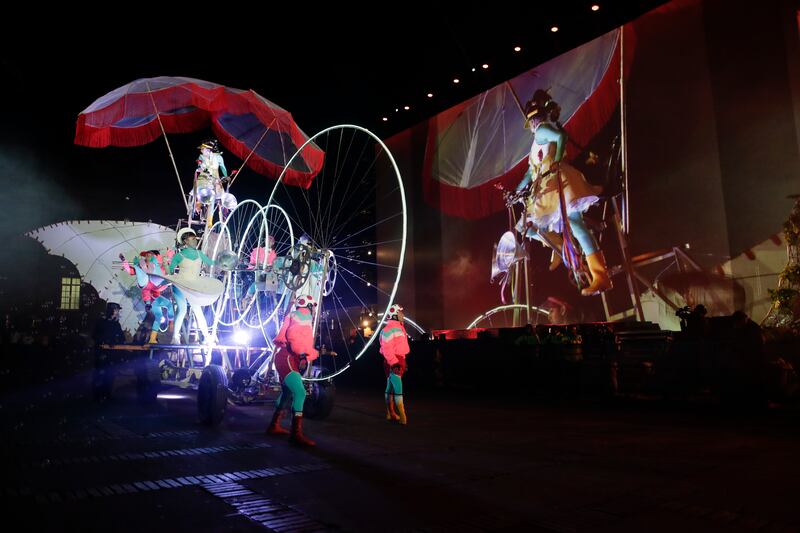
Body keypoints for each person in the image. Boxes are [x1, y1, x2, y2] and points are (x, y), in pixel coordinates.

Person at [515, 89, 611, 296]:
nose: (532, 125)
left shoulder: (541, 130)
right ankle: (563, 249)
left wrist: (557, 159)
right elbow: (530, 172)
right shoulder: (536, 142)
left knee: (562, 224)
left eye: (532, 121)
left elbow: (561, 136)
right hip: (548, 186)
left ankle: (599, 274)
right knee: (533, 226)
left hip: (558, 182)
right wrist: (515, 191)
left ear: (533, 121)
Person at [265, 294, 319, 446]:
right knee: (300, 392)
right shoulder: (303, 315)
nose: (314, 310)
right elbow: (294, 335)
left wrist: (311, 353)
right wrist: (303, 354)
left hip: (286, 357)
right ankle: (296, 434)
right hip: (288, 358)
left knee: (287, 392)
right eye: (312, 307)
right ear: (308, 306)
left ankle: (274, 426)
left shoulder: (295, 315)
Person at [165, 228, 223, 345]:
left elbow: (211, 263)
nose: (195, 241)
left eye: (195, 239)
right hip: (180, 284)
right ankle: (175, 337)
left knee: (197, 310)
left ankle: (207, 337)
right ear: (185, 241)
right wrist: (165, 264)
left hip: (193, 285)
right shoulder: (179, 255)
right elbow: (171, 271)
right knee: (182, 310)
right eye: (192, 239)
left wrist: (224, 261)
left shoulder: (199, 253)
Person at [120, 249, 174, 343]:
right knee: (159, 314)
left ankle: (169, 324)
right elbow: (130, 271)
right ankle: (153, 338)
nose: (149, 257)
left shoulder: (157, 267)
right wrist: (124, 261)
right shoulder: (141, 267)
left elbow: (166, 272)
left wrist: (169, 258)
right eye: (148, 255)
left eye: (151, 255)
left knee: (166, 307)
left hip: (156, 294)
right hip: (150, 297)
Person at [379, 304, 410, 424]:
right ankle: (402, 417)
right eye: (401, 313)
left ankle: (390, 413)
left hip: (396, 360)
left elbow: (399, 347)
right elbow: (387, 349)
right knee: (398, 388)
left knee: (390, 387)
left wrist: (403, 361)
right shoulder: (389, 329)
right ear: (395, 314)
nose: (403, 315)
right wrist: (394, 363)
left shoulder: (397, 328)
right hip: (394, 361)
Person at [91, 302, 125, 401]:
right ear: (113, 310)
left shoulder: (116, 324)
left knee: (110, 375)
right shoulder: (101, 322)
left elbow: (121, 337)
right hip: (101, 354)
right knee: (100, 375)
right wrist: (106, 341)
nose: (118, 312)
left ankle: (106, 395)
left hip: (111, 355)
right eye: (117, 310)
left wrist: (115, 340)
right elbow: (95, 336)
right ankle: (97, 396)